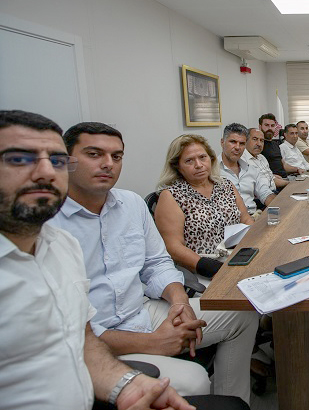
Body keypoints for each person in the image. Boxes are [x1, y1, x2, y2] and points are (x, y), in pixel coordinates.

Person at [49, 121, 258, 404]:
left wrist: (179, 302)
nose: (108, 164)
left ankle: (231, 402)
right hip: (100, 340)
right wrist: (153, 343)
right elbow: (68, 328)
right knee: (194, 380)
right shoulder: (47, 223)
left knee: (243, 314)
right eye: (94, 154)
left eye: (116, 156)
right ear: (65, 160)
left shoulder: (131, 204)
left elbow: (157, 263)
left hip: (143, 311)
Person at [0, 110, 192, 410]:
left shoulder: (60, 245)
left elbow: (82, 337)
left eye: (55, 160)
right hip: (119, 338)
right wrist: (152, 344)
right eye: (19, 158)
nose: (46, 172)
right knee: (197, 382)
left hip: (138, 314)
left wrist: (128, 388)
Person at [154, 134, 254, 278]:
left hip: (238, 259)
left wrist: (253, 247)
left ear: (211, 159)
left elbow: (245, 219)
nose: (199, 165)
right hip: (203, 270)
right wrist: (215, 269)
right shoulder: (171, 196)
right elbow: (173, 247)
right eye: (189, 161)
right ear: (177, 166)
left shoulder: (225, 185)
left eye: (202, 157)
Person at [218, 123, 276, 218]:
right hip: (229, 222)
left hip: (254, 217)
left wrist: (280, 206)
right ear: (222, 142)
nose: (237, 147)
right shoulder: (212, 170)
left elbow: (265, 193)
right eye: (233, 142)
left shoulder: (251, 169)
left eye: (242, 144)